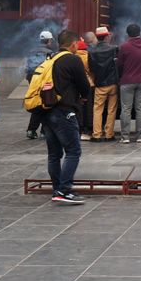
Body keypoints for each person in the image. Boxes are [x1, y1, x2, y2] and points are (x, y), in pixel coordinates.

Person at [41, 30, 91, 204]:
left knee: (54, 154)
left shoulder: (52, 58)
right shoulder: (72, 59)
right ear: (72, 44)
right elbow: (84, 85)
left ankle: (57, 189)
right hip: (65, 111)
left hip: (47, 110)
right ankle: (63, 190)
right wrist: (83, 96)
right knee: (73, 151)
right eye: (77, 43)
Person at [118, 24, 141, 143]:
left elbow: (120, 64)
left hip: (127, 80)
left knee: (126, 109)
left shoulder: (124, 47)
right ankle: (140, 136)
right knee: (140, 108)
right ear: (140, 32)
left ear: (127, 34)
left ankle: (125, 136)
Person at [87, 26, 119, 141]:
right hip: (112, 83)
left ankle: (96, 134)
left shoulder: (91, 51)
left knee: (98, 109)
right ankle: (109, 134)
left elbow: (91, 68)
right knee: (111, 110)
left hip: (100, 83)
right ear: (106, 36)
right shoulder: (114, 49)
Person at [24, 30, 55, 140]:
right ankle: (43, 130)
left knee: (38, 105)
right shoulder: (50, 53)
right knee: (46, 105)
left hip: (32, 80)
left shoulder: (32, 51)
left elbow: (27, 67)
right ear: (49, 41)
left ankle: (32, 130)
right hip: (44, 81)